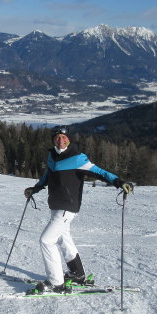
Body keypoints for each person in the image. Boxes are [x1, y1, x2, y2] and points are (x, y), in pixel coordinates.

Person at [24, 125, 133, 294]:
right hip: (55, 205)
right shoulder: (52, 156)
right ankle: (77, 274)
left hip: (68, 207)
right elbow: (48, 175)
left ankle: (56, 282)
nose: (61, 140)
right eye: (57, 137)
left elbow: (100, 172)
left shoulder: (78, 158)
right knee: (62, 239)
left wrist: (119, 182)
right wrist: (35, 188)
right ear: (54, 140)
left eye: (64, 137)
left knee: (46, 240)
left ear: (69, 139)